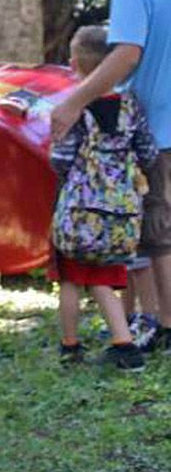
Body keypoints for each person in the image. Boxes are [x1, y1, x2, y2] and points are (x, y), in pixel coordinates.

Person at [52, 0, 171, 353]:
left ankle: (164, 325)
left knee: (158, 233)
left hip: (159, 124)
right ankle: (150, 317)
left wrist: (73, 101)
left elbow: (124, 56)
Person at [50, 27, 156, 371]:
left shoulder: (77, 108)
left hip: (80, 208)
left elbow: (62, 158)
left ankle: (75, 345)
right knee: (105, 275)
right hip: (122, 209)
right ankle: (123, 342)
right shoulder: (131, 107)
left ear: (73, 64)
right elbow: (148, 152)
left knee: (69, 276)